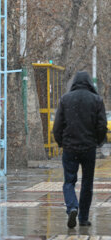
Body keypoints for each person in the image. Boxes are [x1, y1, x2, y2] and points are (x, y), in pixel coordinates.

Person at [53, 71, 107, 228]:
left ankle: (72, 207)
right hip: (88, 148)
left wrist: (61, 142)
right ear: (89, 83)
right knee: (87, 183)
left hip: (70, 147)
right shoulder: (96, 100)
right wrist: (97, 141)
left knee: (69, 181)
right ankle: (83, 218)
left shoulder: (66, 99)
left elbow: (57, 126)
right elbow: (102, 125)